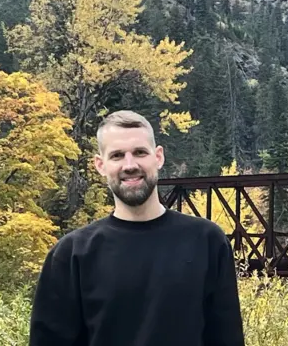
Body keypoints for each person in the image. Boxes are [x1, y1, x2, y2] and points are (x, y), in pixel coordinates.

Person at [29, 110, 245, 346]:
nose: (129, 165)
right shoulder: (71, 255)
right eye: (117, 155)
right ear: (100, 165)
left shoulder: (207, 241)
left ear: (158, 157)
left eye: (140, 152)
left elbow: (227, 339)